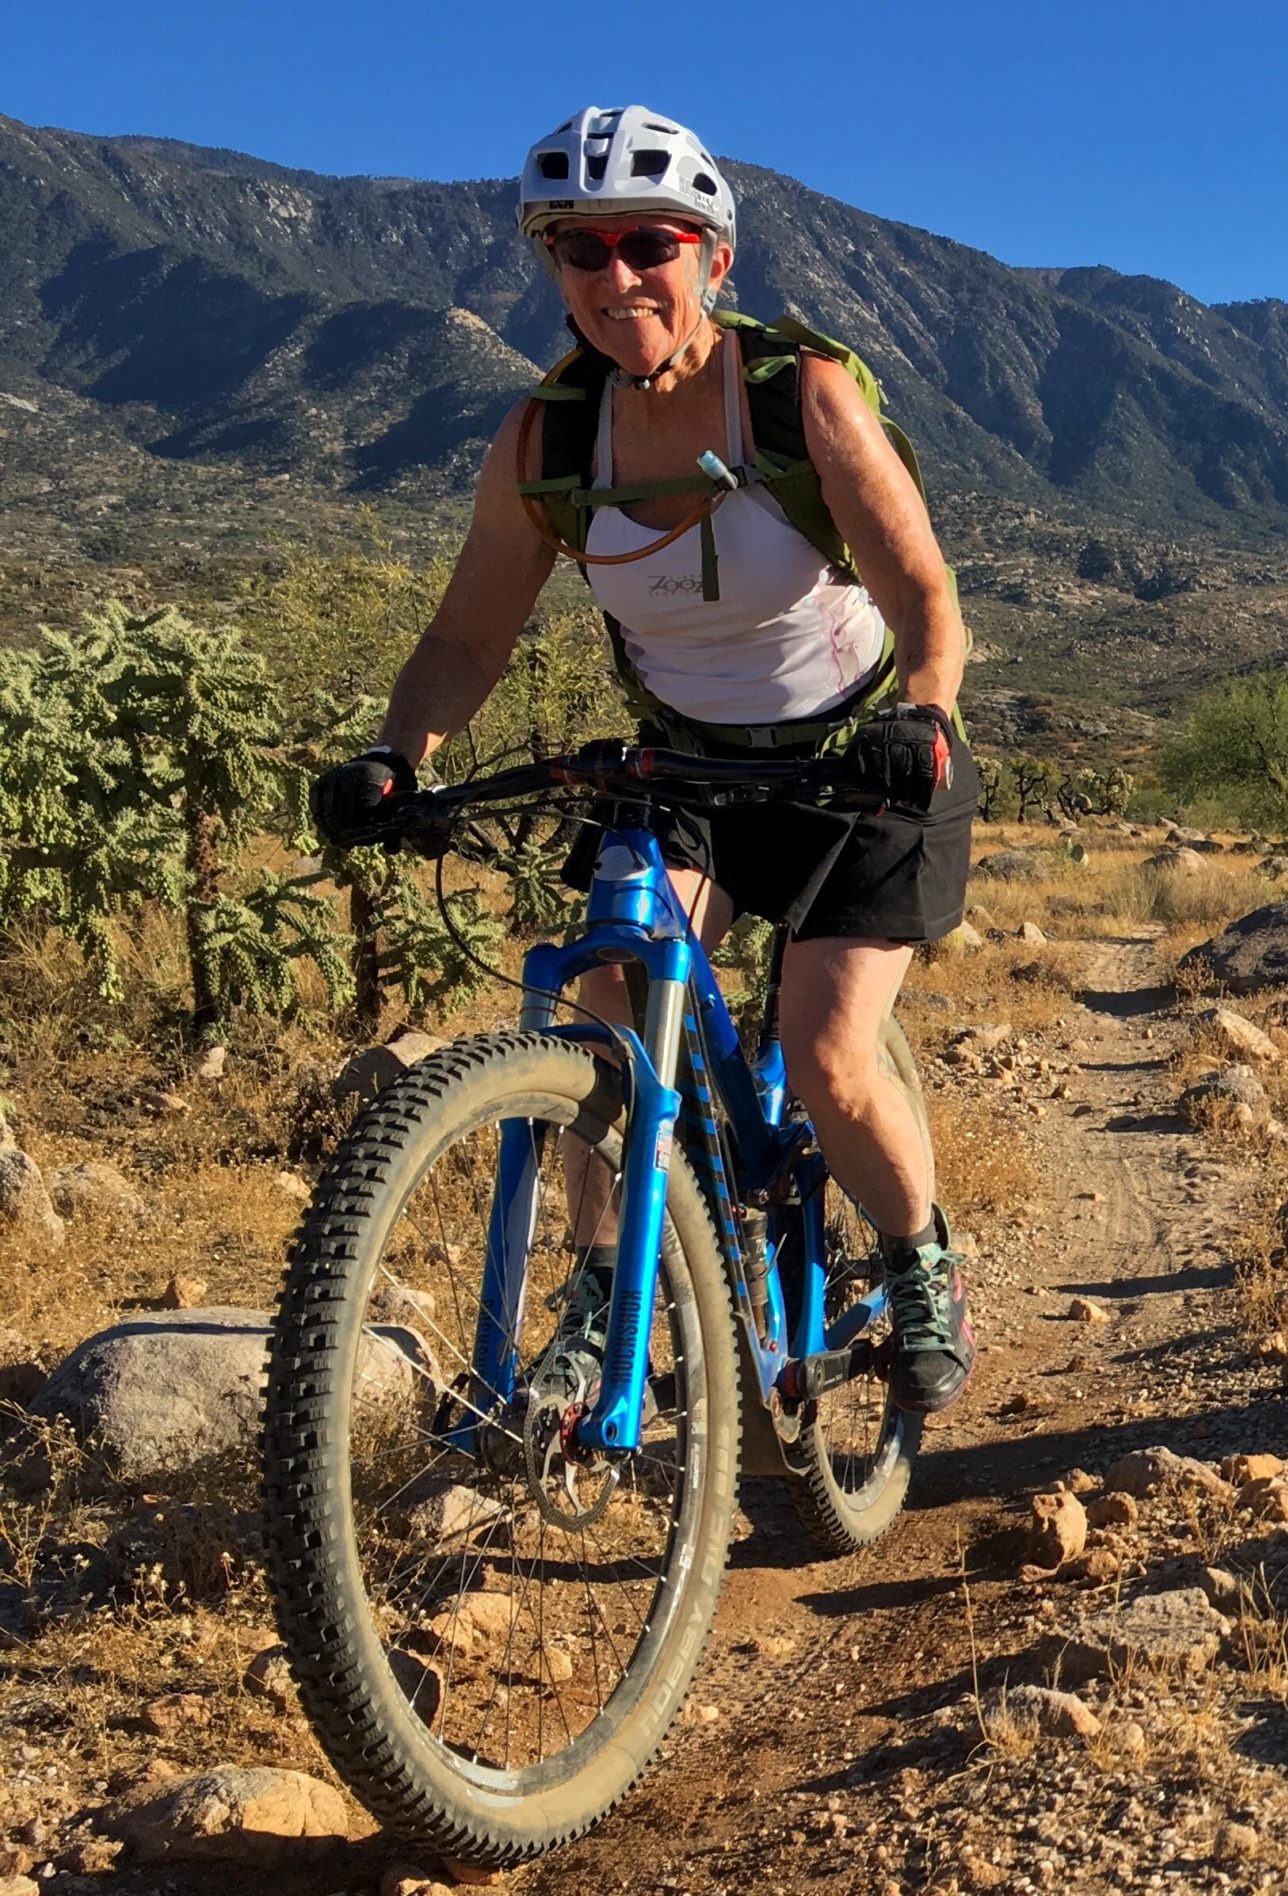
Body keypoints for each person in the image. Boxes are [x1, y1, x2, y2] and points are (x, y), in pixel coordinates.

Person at [311, 105, 977, 1415]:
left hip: (861, 764)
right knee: (609, 1004)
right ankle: (600, 1298)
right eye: (581, 250)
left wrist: (929, 715)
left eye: (648, 243)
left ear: (712, 258)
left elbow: (925, 596)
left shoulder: (800, 396)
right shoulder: (549, 443)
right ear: (554, 271)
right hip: (687, 773)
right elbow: (464, 638)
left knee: (832, 1052)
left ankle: (920, 1263)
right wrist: (397, 754)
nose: (617, 279)